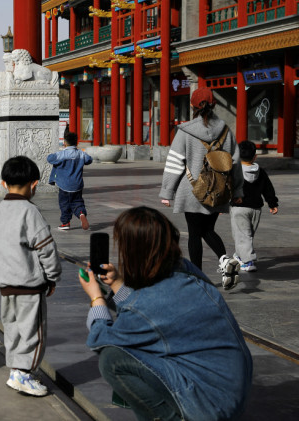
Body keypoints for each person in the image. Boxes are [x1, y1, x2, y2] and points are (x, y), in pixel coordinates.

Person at [79, 206, 252, 420]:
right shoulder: (185, 269)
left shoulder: (150, 302)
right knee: (141, 345)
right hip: (232, 390)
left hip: (210, 407)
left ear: (131, 251)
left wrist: (96, 298)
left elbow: (100, 339)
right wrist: (116, 284)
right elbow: (144, 312)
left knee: (112, 359)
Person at [159, 87, 244, 290]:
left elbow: (175, 162)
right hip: (219, 190)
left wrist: (167, 191)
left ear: (192, 106)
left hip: (192, 190)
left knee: (195, 234)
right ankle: (224, 259)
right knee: (208, 229)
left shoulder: (185, 131)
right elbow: (236, 163)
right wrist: (238, 191)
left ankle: (197, 276)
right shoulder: (225, 130)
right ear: (214, 104)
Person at [0, 155, 61, 397]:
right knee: (34, 332)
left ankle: (15, 370)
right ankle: (24, 373)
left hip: (5, 285)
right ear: (33, 185)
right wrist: (52, 276)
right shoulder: (30, 212)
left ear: (4, 183)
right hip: (29, 285)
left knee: (13, 329)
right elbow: (46, 247)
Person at [230, 140, 279, 272]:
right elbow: (268, 189)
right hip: (256, 209)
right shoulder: (260, 172)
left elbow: (227, 189)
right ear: (255, 157)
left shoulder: (235, 171)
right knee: (248, 234)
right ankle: (241, 254)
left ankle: (248, 261)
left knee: (242, 234)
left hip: (239, 208)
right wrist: (272, 203)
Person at [47, 132, 92, 231]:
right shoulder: (81, 154)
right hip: (77, 184)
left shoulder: (61, 154)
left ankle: (65, 222)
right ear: (77, 143)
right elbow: (89, 160)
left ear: (65, 143)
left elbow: (50, 158)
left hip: (64, 185)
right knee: (77, 201)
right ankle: (81, 213)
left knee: (64, 204)